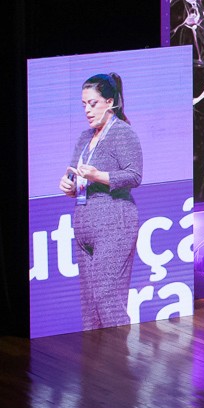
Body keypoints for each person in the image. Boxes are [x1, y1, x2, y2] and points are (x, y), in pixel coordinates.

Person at [60, 72, 143, 329]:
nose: (87, 110)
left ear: (110, 102)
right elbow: (74, 175)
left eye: (93, 103)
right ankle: (94, 355)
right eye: (84, 104)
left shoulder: (123, 133)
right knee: (90, 305)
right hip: (85, 222)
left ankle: (119, 355)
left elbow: (134, 175)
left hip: (114, 222)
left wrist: (98, 175)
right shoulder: (84, 138)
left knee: (108, 299)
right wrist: (69, 186)